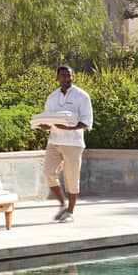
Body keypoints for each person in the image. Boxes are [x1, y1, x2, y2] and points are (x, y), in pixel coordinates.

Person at [38, 66, 93, 224]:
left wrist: (69, 127)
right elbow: (49, 120)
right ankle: (62, 203)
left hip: (73, 144)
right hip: (54, 142)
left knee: (72, 178)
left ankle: (70, 211)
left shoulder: (82, 96)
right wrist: (45, 125)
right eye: (63, 76)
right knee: (48, 173)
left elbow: (87, 121)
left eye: (69, 75)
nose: (67, 78)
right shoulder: (52, 97)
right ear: (57, 78)